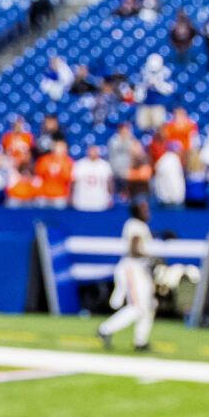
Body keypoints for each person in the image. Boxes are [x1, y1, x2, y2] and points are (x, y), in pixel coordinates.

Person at [98, 200, 156, 351]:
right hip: (133, 268)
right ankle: (105, 329)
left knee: (149, 306)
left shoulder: (139, 226)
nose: (147, 213)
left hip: (139, 269)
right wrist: (152, 256)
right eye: (144, 209)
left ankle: (140, 341)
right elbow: (134, 249)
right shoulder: (135, 225)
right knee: (137, 307)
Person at [70, 143, 114, 212]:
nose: (93, 152)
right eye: (91, 150)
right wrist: (71, 197)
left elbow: (109, 183)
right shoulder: (80, 164)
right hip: (82, 201)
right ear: (87, 151)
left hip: (100, 201)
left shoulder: (105, 165)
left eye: (95, 150)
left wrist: (110, 198)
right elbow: (73, 182)